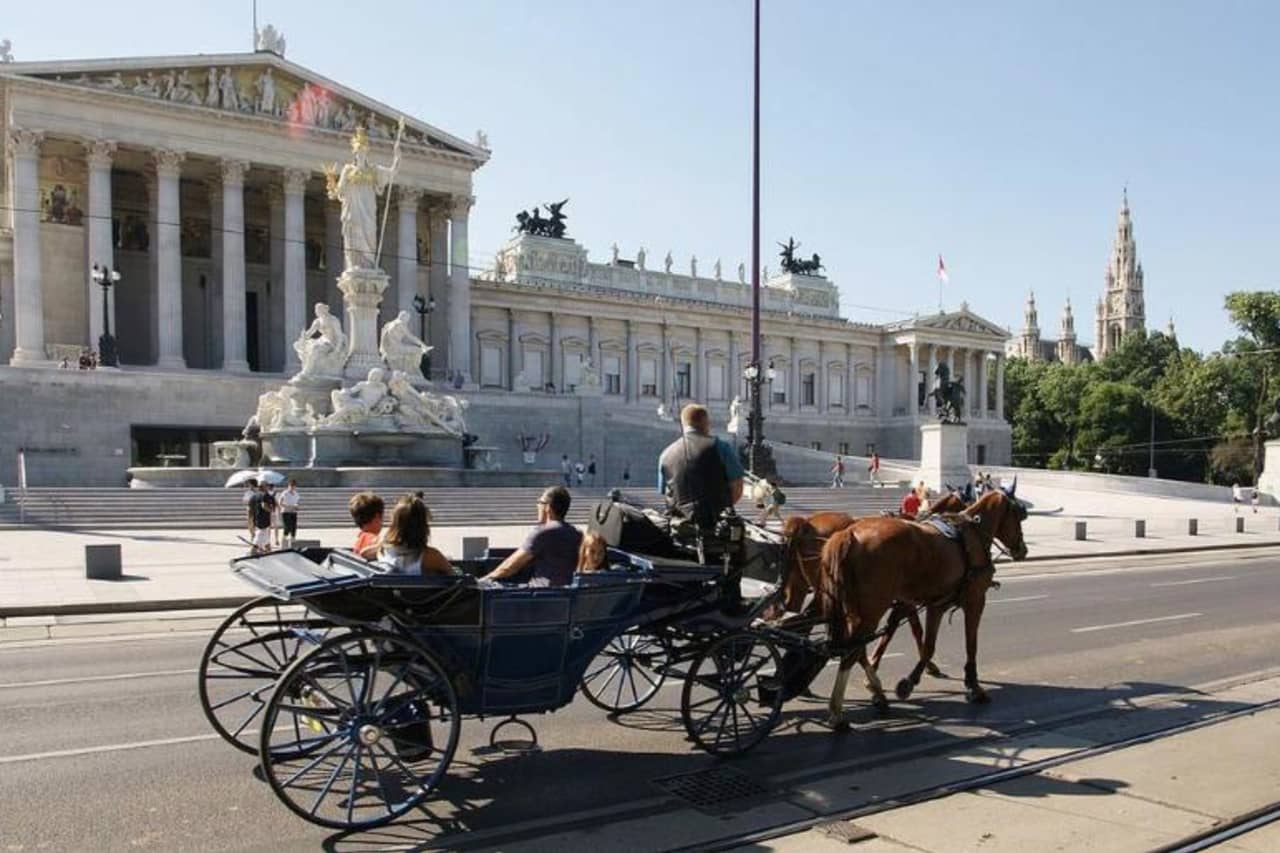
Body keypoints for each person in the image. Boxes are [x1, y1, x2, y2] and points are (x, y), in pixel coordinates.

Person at [657, 404, 746, 529]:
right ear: (706, 423)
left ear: (683, 424)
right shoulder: (721, 447)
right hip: (717, 526)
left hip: (679, 527)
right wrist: (719, 509)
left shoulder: (665, 454)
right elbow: (737, 486)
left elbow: (665, 492)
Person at [484, 486, 583, 586]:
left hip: (540, 593)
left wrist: (485, 579)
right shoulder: (577, 534)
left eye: (540, 502)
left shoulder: (544, 532)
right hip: (565, 592)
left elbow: (510, 566)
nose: (537, 506)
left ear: (547, 507)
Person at [363, 493, 454, 576]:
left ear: (395, 523)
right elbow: (455, 577)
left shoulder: (383, 550)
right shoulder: (431, 556)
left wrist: (383, 542)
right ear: (422, 526)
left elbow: (364, 553)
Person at [247, 481, 275, 555]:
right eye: (267, 486)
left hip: (256, 521)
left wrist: (250, 522)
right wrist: (271, 510)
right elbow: (264, 506)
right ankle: (252, 553)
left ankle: (269, 553)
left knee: (266, 541)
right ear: (264, 486)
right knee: (256, 544)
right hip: (264, 522)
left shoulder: (253, 496)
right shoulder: (265, 495)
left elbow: (249, 510)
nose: (268, 487)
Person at [279, 480, 301, 549]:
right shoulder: (285, 493)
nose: (292, 487)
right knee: (287, 527)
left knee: (293, 527)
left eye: (293, 486)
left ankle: (292, 542)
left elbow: (297, 502)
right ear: (288, 486)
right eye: (291, 485)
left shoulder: (296, 494)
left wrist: (296, 506)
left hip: (293, 512)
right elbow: (280, 503)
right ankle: (283, 543)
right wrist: (288, 506)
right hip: (286, 512)